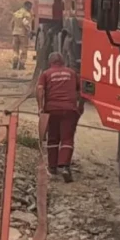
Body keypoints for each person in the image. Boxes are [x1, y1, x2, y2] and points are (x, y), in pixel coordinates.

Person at [36, 51, 82, 182]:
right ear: (63, 62)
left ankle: (52, 167)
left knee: (53, 138)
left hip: (52, 110)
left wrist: (40, 108)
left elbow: (40, 91)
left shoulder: (46, 74)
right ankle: (65, 166)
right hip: (69, 110)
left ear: (50, 63)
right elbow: (82, 90)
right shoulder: (72, 73)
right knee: (67, 139)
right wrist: (80, 107)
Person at [11, 0, 38, 71]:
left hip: (15, 33)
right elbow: (26, 24)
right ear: (27, 6)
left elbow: (12, 24)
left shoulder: (16, 13)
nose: (30, 9)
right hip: (23, 34)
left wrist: (13, 31)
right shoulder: (27, 14)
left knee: (15, 50)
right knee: (24, 50)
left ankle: (15, 63)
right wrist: (30, 32)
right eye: (30, 7)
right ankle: (22, 64)